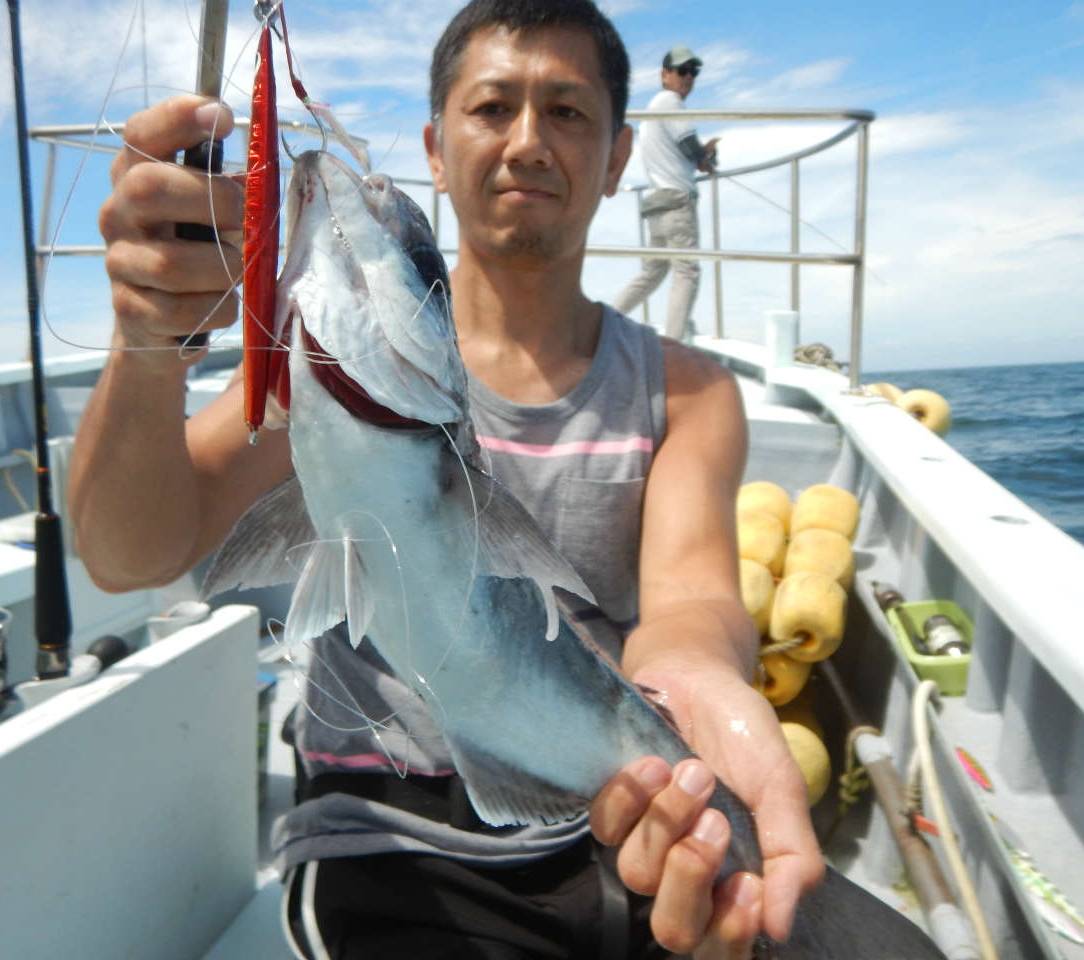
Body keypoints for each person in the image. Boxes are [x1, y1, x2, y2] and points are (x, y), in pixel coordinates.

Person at [71, 1, 822, 957]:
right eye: (492, 107)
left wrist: (693, 687)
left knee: (747, 928)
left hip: (613, 817)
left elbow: (691, 599)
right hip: (383, 837)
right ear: (434, 143)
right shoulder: (312, 383)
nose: (526, 142)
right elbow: (125, 554)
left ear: (621, 156)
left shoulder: (692, 390)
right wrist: (145, 344)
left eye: (568, 112)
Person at [612, 45, 719, 343]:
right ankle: (673, 346)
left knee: (653, 273)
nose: (689, 77)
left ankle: (604, 325)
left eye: (693, 72)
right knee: (687, 272)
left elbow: (680, 153)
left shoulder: (651, 112)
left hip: (657, 205)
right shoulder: (670, 102)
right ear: (665, 74)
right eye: (682, 71)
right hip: (676, 203)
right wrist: (705, 155)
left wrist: (700, 156)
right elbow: (689, 146)